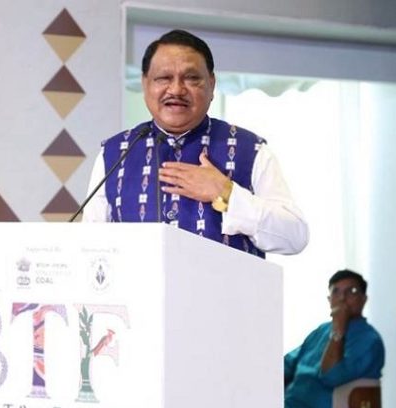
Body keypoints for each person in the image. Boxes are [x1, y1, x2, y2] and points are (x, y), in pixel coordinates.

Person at [82, 29, 308, 257]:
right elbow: (89, 247)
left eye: (191, 78)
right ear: (145, 84)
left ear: (211, 84)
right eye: (164, 78)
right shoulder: (115, 153)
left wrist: (226, 194)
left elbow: (295, 237)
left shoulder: (251, 150)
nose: (176, 90)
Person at [284, 269, 385, 408]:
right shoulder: (321, 330)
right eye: (336, 292)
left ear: (364, 299)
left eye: (351, 291)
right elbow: (288, 364)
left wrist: (339, 328)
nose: (342, 298)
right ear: (329, 299)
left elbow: (330, 375)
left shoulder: (369, 340)